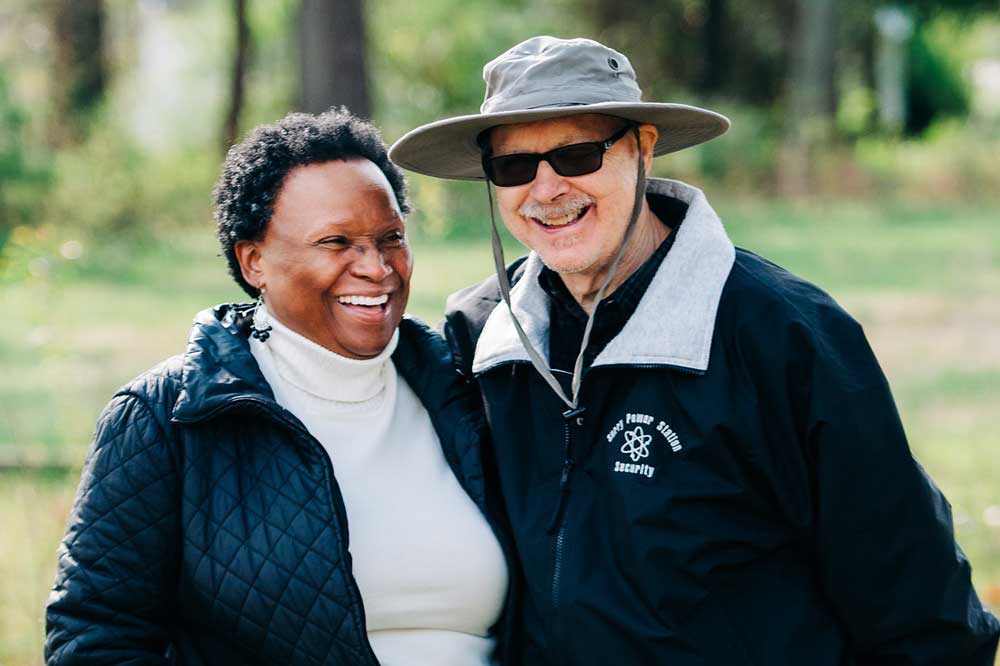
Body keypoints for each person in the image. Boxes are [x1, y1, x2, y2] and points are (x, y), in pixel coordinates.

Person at [389, 36, 1000, 665]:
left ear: (643, 149)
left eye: (575, 155)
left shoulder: (784, 335)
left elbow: (920, 609)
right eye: (514, 167)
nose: (545, 190)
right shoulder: (479, 336)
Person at [45, 109, 510, 666]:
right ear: (254, 261)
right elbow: (95, 638)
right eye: (337, 242)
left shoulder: (468, 389)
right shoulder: (165, 417)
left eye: (390, 238)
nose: (377, 268)